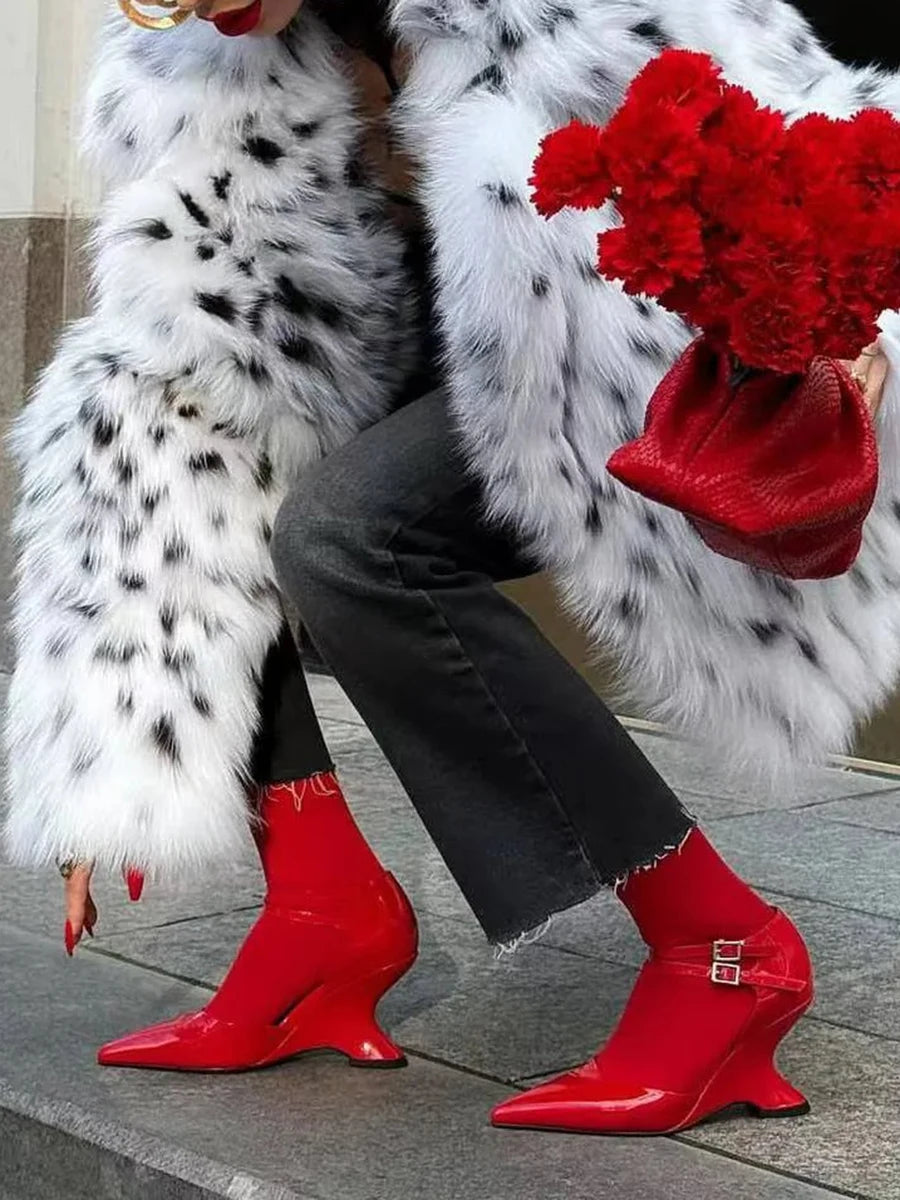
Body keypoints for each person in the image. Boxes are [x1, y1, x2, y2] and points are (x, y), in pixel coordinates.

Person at [4, 0, 898, 1136]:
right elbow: (176, 358)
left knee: (348, 538)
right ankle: (322, 912)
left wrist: (846, 306)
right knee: (196, 443)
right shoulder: (184, 53)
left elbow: (803, 119)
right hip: (418, 355)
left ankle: (725, 944)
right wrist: (112, 716)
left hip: (616, 368)